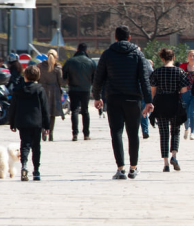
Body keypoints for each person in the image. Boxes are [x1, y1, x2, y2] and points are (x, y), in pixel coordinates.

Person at [92, 26, 154, 179]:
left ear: (115, 37)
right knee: (133, 133)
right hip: (134, 99)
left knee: (116, 133)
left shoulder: (107, 54)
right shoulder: (138, 54)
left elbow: (98, 78)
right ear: (130, 37)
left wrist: (97, 96)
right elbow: (144, 79)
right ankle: (133, 168)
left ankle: (120, 169)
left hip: (113, 99)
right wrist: (148, 101)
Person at [8, 63, 51, 181]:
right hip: (37, 122)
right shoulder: (40, 90)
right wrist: (47, 125)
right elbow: (45, 108)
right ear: (38, 77)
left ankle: (24, 166)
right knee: (36, 147)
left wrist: (12, 122)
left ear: (25, 76)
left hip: (22, 122)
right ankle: (36, 171)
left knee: (24, 145)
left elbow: (13, 108)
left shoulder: (18, 90)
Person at [149, 48, 189, 172]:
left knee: (164, 133)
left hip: (161, 102)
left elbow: (153, 91)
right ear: (173, 58)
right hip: (175, 102)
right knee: (175, 131)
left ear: (162, 58)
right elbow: (184, 90)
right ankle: (174, 156)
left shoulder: (157, 72)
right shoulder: (180, 72)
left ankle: (165, 163)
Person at [61, 43, 97, 141]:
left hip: (73, 89)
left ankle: (75, 134)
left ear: (77, 49)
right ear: (86, 51)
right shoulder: (91, 62)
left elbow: (63, 75)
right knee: (85, 111)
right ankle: (86, 134)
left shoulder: (70, 61)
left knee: (75, 111)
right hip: (85, 90)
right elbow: (95, 78)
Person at [38, 49, 65, 141]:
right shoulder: (57, 67)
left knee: (43, 112)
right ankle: (51, 133)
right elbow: (61, 81)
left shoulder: (40, 66)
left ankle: (42, 131)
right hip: (54, 92)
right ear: (56, 57)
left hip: (42, 91)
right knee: (52, 114)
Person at [179, 49, 194, 141]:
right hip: (185, 92)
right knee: (186, 112)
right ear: (187, 57)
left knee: (193, 112)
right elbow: (178, 78)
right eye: (190, 55)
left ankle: (192, 132)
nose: (192, 57)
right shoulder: (182, 66)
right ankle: (186, 128)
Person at [141, 58, 154, 140]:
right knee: (143, 110)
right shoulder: (145, 61)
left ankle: (145, 131)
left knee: (142, 110)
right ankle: (145, 131)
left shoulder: (125, 60)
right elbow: (152, 74)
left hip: (133, 90)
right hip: (142, 89)